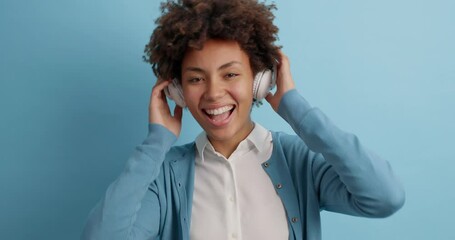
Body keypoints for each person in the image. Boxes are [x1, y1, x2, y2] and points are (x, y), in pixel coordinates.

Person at [81, 0, 405, 239]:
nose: (213, 93)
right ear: (178, 91)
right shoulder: (166, 175)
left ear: (260, 80)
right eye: (196, 79)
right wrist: (156, 142)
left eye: (230, 74)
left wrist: (296, 109)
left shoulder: (297, 161)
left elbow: (384, 197)